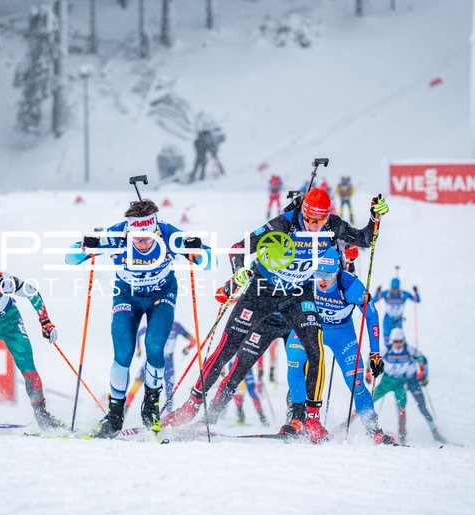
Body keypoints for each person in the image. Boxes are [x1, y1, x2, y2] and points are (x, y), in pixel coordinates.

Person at [163, 187, 389, 444]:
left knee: (315, 350)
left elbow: (364, 239)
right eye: (310, 220)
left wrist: (375, 218)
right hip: (264, 289)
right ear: (303, 212)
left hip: (297, 294)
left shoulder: (332, 226)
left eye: (320, 221)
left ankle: (311, 419)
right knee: (229, 346)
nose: (315, 226)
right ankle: (192, 404)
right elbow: (239, 248)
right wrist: (238, 272)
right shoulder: (284, 223)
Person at [65, 198, 209, 437]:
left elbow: (209, 261)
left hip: (161, 295)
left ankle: (150, 408)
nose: (141, 242)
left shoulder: (167, 233)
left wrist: (198, 249)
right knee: (122, 352)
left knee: (154, 346)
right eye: (136, 237)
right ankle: (114, 414)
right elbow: (69, 258)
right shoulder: (116, 235)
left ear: (154, 229)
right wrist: (85, 246)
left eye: (147, 237)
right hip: (126, 296)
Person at [284, 247, 395, 444]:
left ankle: (373, 429)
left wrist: (375, 353)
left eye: (328, 275)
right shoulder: (307, 278)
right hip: (310, 326)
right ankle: (297, 418)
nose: (323, 280)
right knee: (295, 361)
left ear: (338, 271)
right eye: (319, 274)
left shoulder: (350, 285)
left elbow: (371, 315)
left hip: (341, 334)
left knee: (357, 382)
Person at [0, 271, 63, 430]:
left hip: (9, 321)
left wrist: (45, 322)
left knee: (27, 367)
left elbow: (32, 292)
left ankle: (42, 415)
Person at [372, 327, 444, 444]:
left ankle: (435, 432)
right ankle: (347, 424)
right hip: (393, 381)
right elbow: (373, 359)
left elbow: (423, 360)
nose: (398, 344)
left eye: (400, 341)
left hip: (412, 380)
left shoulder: (410, 350)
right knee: (370, 401)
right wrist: (369, 372)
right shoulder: (386, 350)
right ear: (391, 341)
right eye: (395, 341)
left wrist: (424, 375)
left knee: (422, 406)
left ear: (403, 340)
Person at [125, 320, 196, 411]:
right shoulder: (156, 323)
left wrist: (187, 348)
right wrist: (138, 348)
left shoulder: (175, 326)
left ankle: (167, 414)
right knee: (138, 383)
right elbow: (138, 333)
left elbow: (193, 340)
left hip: (165, 364)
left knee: (169, 391)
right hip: (153, 361)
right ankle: (125, 409)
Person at [373, 277, 420, 345]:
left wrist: (416, 292)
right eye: (393, 288)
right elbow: (374, 300)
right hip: (387, 320)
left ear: (399, 288)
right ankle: (386, 354)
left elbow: (417, 300)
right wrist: (377, 292)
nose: (394, 291)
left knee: (398, 339)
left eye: (396, 289)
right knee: (386, 340)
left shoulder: (404, 294)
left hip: (398, 321)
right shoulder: (386, 293)